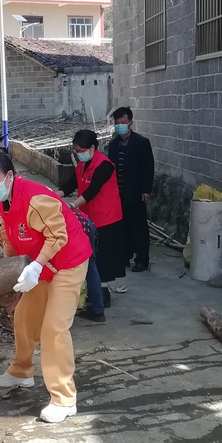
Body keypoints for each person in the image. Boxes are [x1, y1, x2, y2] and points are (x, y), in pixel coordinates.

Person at [0, 150, 91, 423]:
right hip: (38, 267)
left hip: (67, 263)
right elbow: (9, 239)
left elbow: (58, 235)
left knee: (54, 328)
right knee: (24, 317)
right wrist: (13, 281)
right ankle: (21, 372)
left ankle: (64, 399)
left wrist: (37, 266)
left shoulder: (37, 198)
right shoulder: (3, 202)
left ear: (10, 176)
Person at [59, 129, 127, 321]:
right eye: (75, 149)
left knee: (101, 260)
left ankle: (102, 298)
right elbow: (70, 184)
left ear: (92, 148)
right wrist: (54, 196)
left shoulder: (105, 165)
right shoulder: (82, 164)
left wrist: (70, 206)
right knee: (93, 259)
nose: (77, 152)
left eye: (80, 149)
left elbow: (92, 191)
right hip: (89, 218)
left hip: (106, 217)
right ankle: (97, 299)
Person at [107, 107, 155, 272]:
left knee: (139, 227)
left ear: (131, 123)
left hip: (135, 193)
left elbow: (148, 168)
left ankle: (142, 259)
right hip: (118, 194)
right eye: (117, 123)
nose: (120, 125)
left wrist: (146, 190)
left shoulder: (141, 143)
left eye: (123, 122)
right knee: (122, 227)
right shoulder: (113, 145)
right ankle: (125, 256)